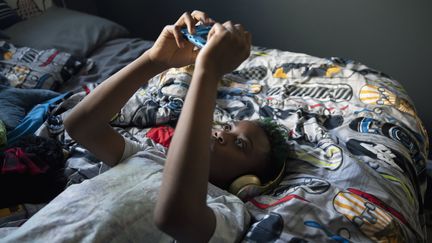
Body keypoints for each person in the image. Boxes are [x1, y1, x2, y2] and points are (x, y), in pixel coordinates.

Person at [64, 10, 288, 242]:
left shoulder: (228, 210)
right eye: (229, 128)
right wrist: (154, 60)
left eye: (241, 144)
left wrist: (208, 71)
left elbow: (176, 218)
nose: (221, 133)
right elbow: (80, 126)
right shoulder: (151, 156)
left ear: (247, 183)